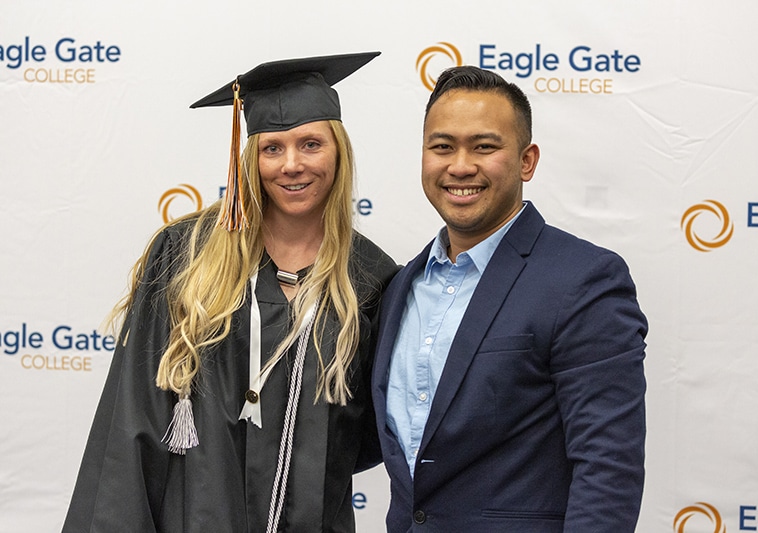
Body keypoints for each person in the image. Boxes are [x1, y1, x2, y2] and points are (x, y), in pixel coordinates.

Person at [62, 52, 398, 533]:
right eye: (272, 148)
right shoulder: (188, 255)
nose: (292, 165)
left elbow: (363, 435)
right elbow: (132, 419)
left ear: (338, 153)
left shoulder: (369, 278)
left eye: (311, 144)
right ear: (251, 158)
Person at [372, 65, 648, 532]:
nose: (460, 166)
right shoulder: (400, 286)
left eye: (484, 146)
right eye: (442, 147)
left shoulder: (583, 280)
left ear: (527, 161)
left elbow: (608, 470)